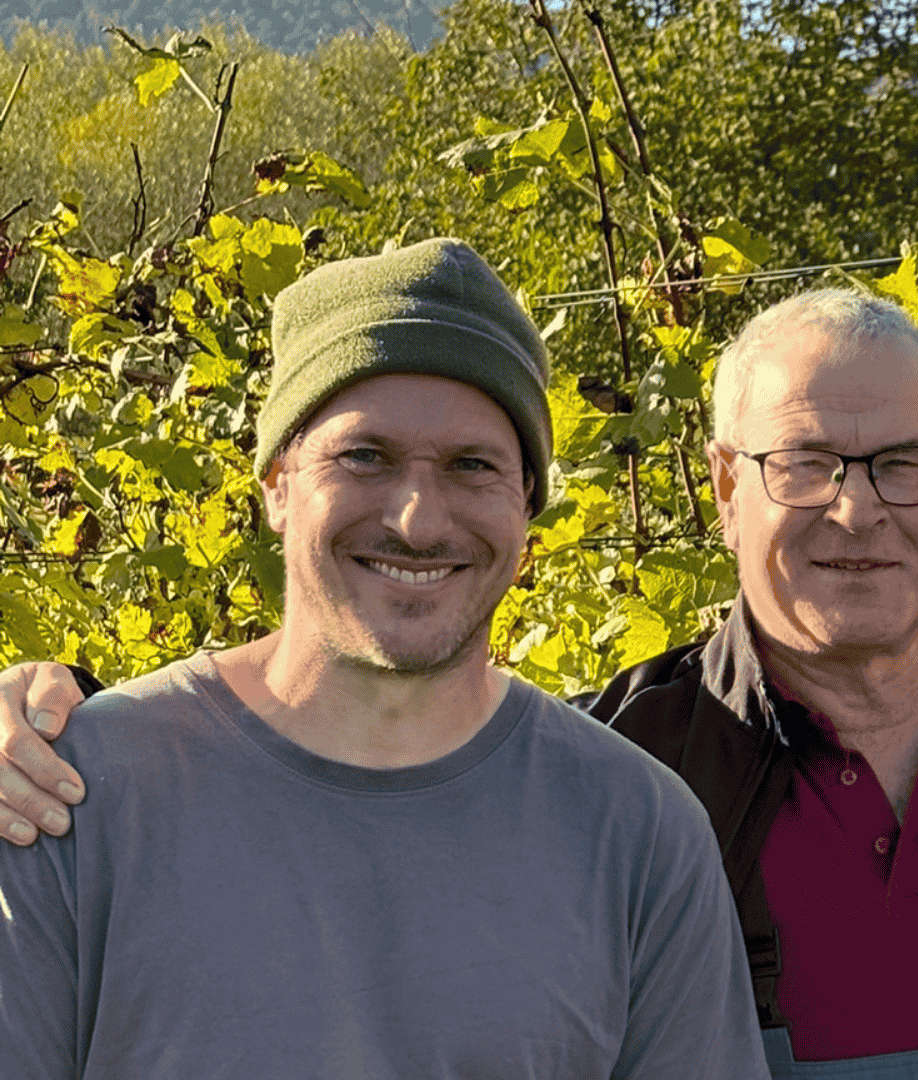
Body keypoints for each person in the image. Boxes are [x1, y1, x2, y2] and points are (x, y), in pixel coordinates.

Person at [0, 289, 918, 1078]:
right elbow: (369, 756)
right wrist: (72, 727)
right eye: (806, 462)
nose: (855, 511)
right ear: (722, 485)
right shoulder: (640, 773)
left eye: (901, 466)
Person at [0, 239, 769, 1078]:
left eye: (473, 466)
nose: (418, 520)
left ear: (527, 508)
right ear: (277, 482)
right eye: (366, 456)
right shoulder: (65, 797)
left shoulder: (639, 833)